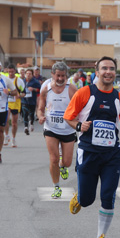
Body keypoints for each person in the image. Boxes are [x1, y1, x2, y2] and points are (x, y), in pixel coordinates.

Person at [64, 56, 120, 238]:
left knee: (108, 195)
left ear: (115, 72)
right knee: (87, 200)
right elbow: (68, 117)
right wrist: (79, 126)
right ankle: (80, 197)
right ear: (97, 71)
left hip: (111, 154)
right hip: (88, 152)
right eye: (104, 68)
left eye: (111, 68)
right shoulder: (84, 93)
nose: (108, 72)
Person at [37, 62, 78, 199]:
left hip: (68, 129)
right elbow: (40, 108)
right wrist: (41, 116)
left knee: (67, 162)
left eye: (63, 76)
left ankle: (63, 166)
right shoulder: (45, 89)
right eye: (58, 76)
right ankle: (56, 187)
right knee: (53, 158)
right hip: (51, 128)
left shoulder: (72, 89)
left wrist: (77, 121)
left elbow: (80, 107)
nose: (60, 79)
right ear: (52, 74)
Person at [4, 64, 25, 148]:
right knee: (6, 120)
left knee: (14, 123)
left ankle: (13, 138)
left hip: (16, 103)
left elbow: (24, 93)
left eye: (12, 71)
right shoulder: (5, 80)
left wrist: (19, 96)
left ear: (15, 71)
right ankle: (6, 136)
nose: (11, 73)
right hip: (7, 102)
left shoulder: (19, 81)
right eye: (9, 72)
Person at [22, 68, 41, 135]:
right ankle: (26, 127)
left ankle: (31, 123)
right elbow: (20, 89)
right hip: (24, 100)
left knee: (31, 114)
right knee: (25, 113)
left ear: (32, 75)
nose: (28, 75)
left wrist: (33, 89)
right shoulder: (23, 81)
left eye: (30, 74)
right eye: (27, 73)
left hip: (32, 101)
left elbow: (40, 90)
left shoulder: (35, 82)